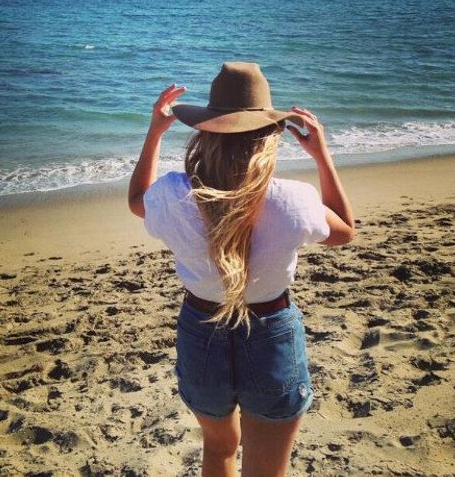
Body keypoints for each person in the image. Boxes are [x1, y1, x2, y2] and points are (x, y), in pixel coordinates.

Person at [127, 62, 356, 477]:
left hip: (201, 329)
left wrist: (154, 132)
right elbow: (344, 229)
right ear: (272, 136)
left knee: (218, 452)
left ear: (204, 131)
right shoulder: (294, 201)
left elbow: (137, 200)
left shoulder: (174, 195)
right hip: (270, 331)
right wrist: (322, 154)